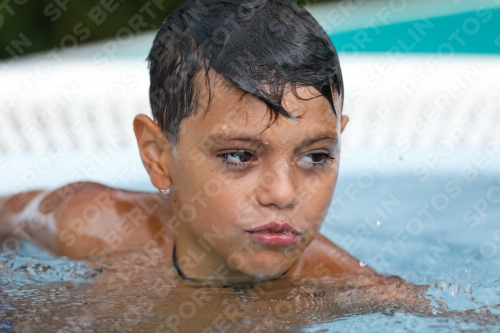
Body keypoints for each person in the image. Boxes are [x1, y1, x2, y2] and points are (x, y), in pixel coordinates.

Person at [0, 0, 375, 284]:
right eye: (240, 155)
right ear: (158, 157)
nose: (282, 192)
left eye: (314, 157)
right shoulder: (91, 225)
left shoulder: (344, 287)